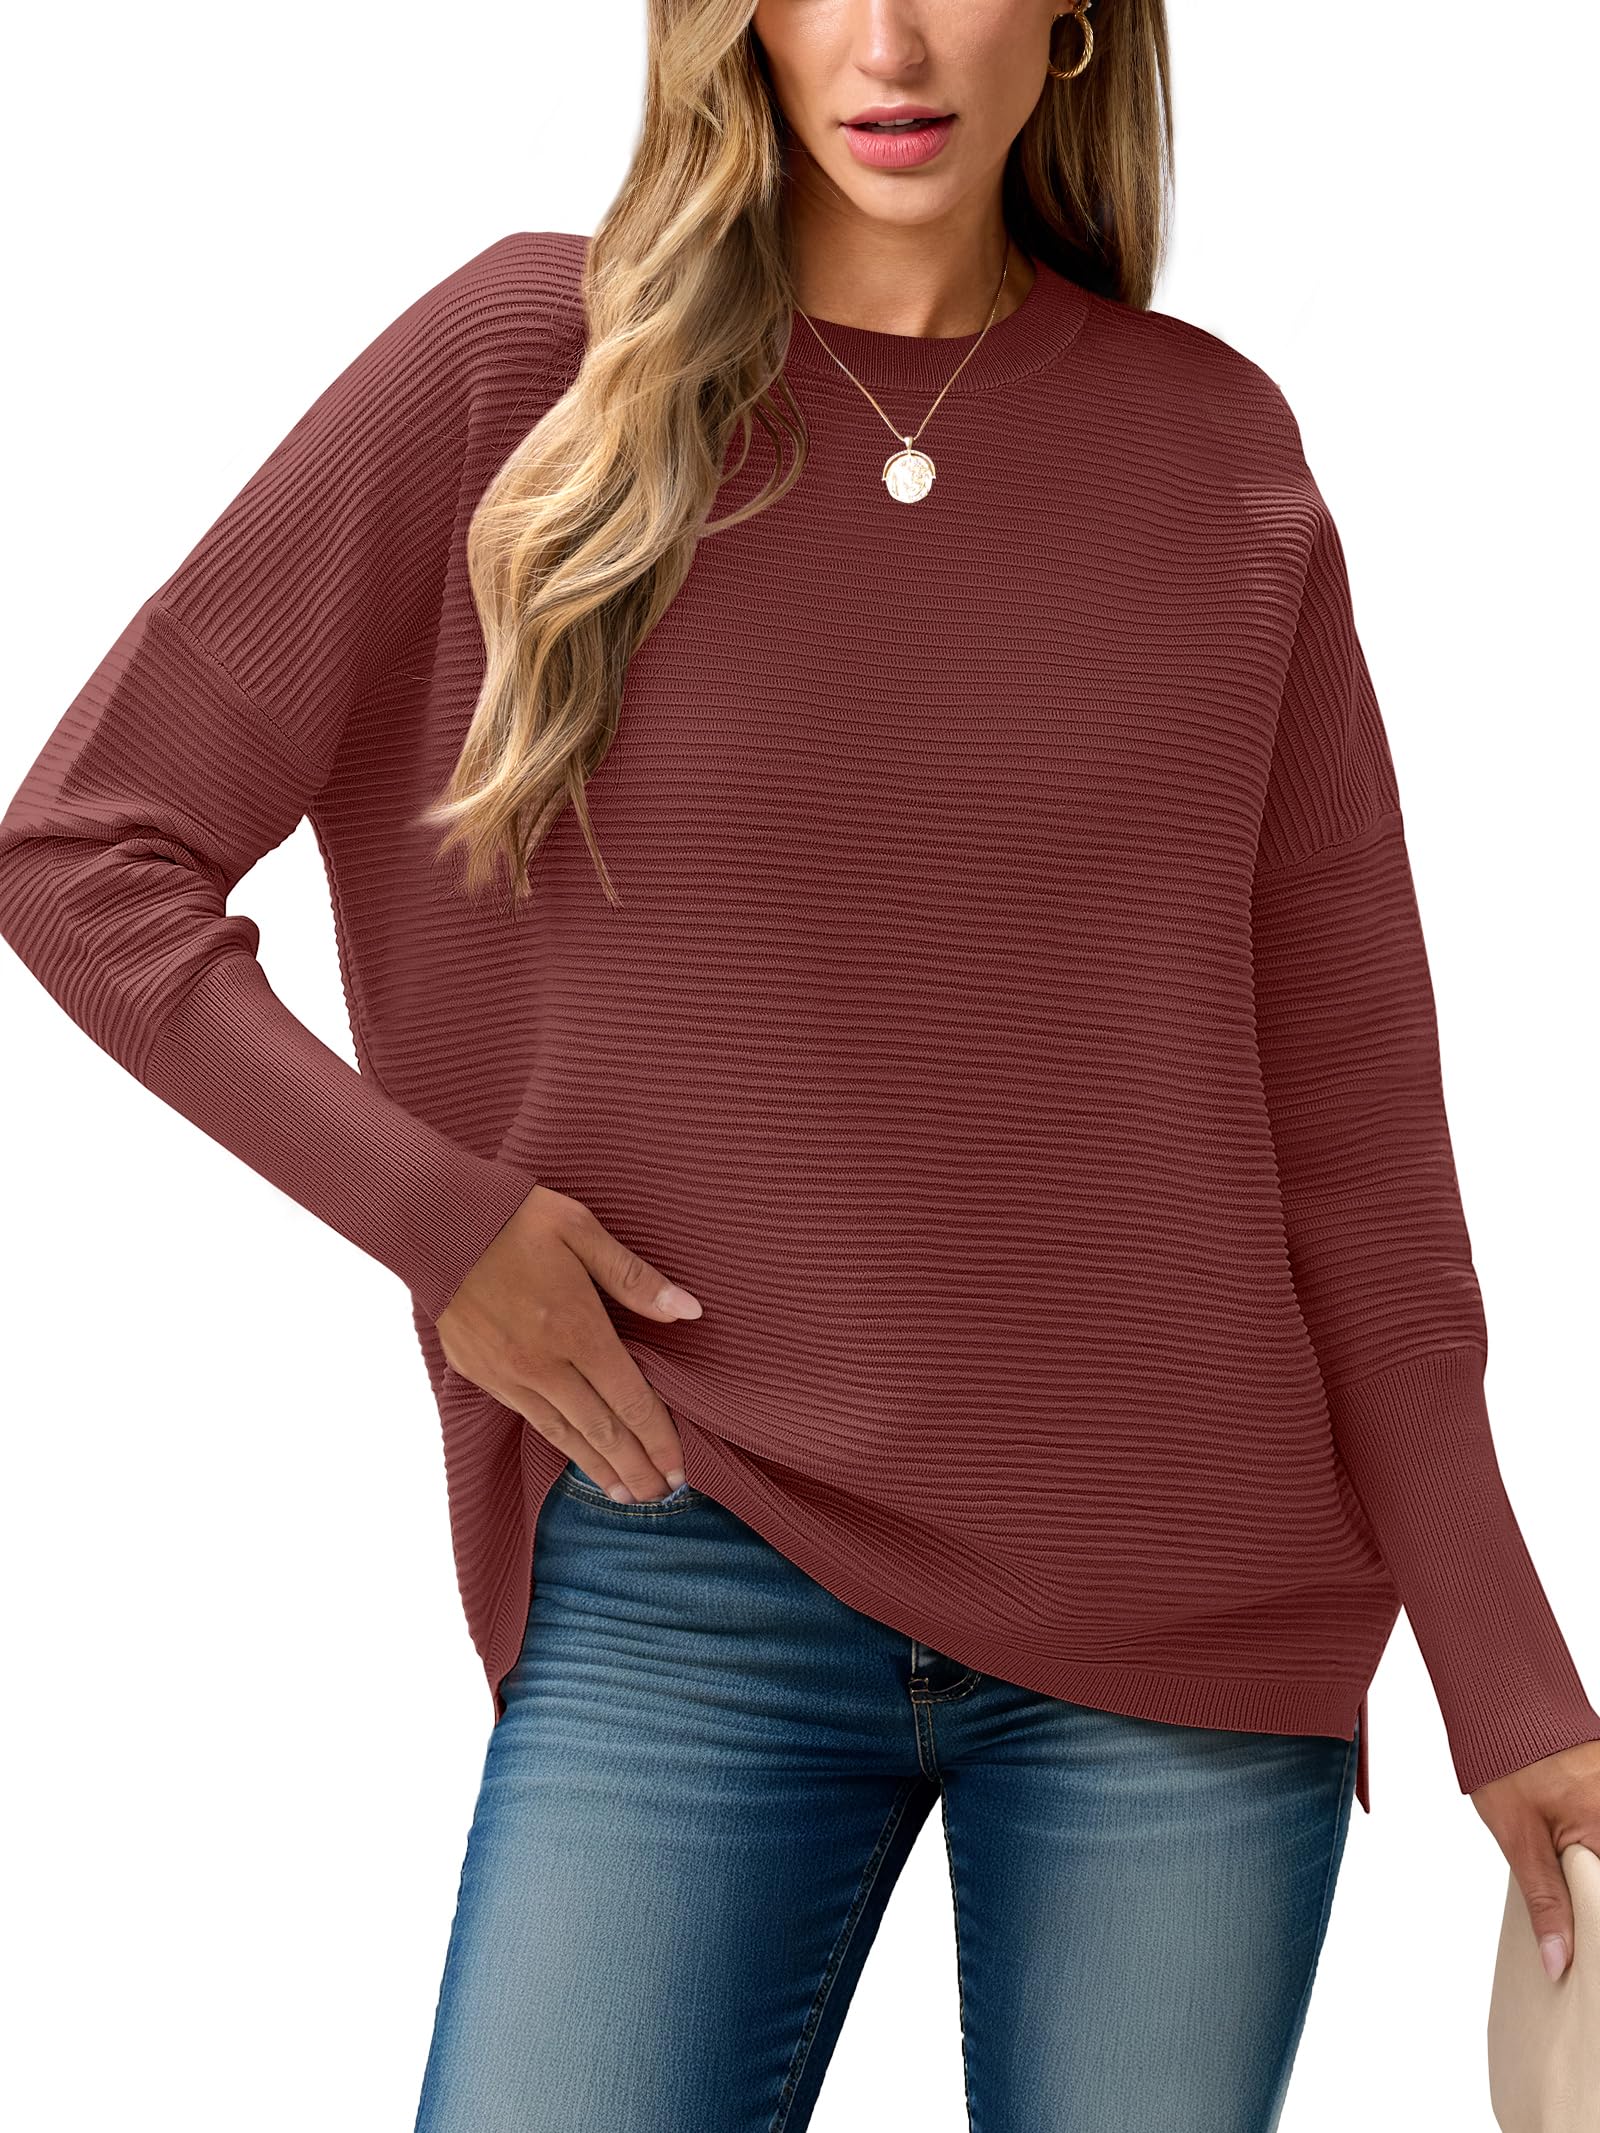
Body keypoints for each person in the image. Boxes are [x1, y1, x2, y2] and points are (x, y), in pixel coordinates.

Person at [3, 3, 1598, 2128]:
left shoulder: (1212, 452)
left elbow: (1355, 1142)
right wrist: (442, 1225)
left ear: (1077, 21)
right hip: (689, 1548)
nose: (891, 39)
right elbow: (88, 851)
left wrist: (1505, 1670)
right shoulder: (520, 365)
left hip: (1184, 1603)